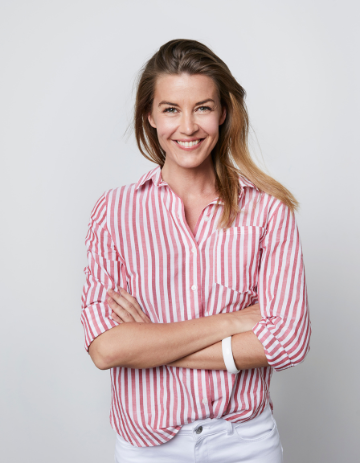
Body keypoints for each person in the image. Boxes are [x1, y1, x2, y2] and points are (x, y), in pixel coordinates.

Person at [81, 39, 311, 462]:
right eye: (171, 109)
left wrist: (149, 345)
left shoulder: (268, 210)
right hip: (148, 448)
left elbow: (289, 341)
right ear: (149, 116)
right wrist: (236, 321)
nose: (187, 127)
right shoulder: (113, 212)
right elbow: (106, 349)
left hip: (246, 443)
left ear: (223, 112)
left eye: (202, 107)